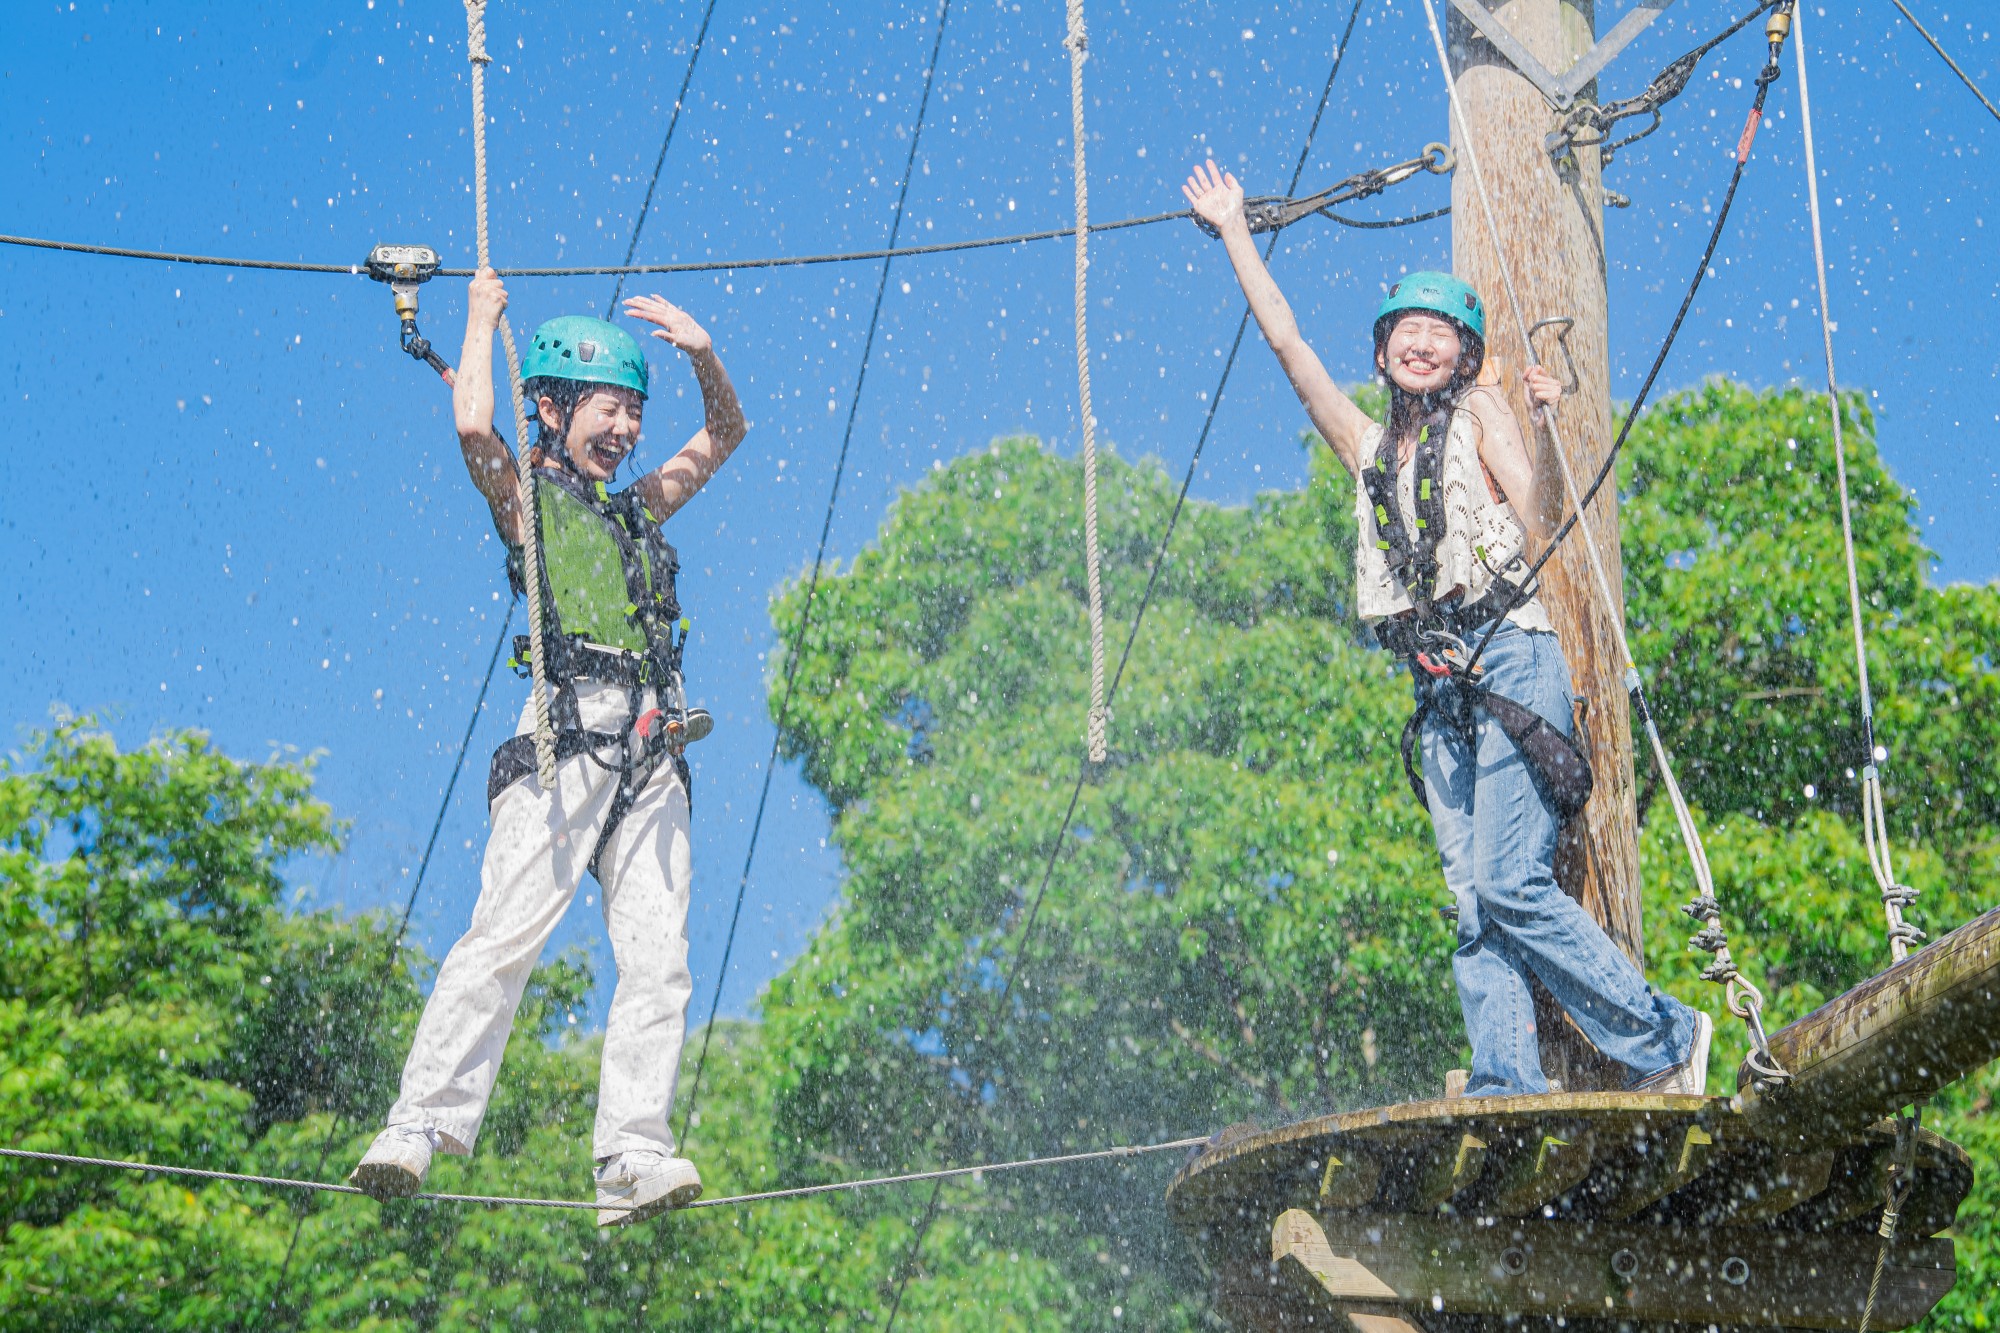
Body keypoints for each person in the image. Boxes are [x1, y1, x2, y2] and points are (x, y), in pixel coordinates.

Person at [1181, 160, 1709, 1098]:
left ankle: (1663, 1037)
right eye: (1405, 333)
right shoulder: (1367, 446)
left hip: (1510, 654)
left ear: (1463, 356)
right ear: (1384, 352)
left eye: (1439, 334)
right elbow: (1287, 346)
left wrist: (1546, 426)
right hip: (1439, 687)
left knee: (1511, 881)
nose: (1421, 345)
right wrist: (1234, 234)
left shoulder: (1481, 413)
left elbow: (1542, 518)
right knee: (1473, 905)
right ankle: (1508, 1079)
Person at [350, 268, 747, 1223]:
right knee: (504, 937)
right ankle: (418, 1121)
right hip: (566, 737)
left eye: (634, 413)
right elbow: (473, 428)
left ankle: (631, 1153)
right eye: (610, 408)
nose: (626, 430)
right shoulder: (528, 503)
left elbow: (724, 434)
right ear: (555, 405)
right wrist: (481, 317)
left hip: (652, 754)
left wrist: (702, 355)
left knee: (661, 961)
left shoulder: (635, 507)